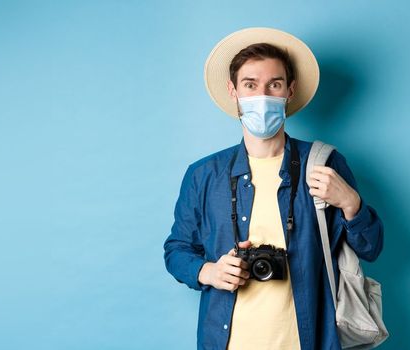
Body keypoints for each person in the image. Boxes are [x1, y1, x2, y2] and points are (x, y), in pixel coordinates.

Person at [162, 27, 384, 350]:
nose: (262, 96)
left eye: (274, 85)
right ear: (233, 91)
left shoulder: (323, 164)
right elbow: (176, 250)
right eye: (250, 85)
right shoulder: (203, 176)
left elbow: (372, 248)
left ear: (289, 91)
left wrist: (351, 203)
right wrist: (208, 271)